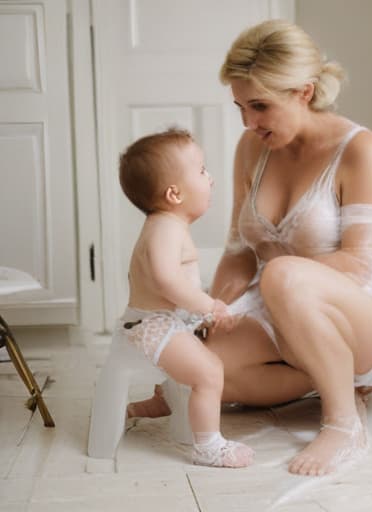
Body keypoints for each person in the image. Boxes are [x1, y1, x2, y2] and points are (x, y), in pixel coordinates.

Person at [128, 19, 372, 477]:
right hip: (283, 311)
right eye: (241, 106)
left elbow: (359, 264)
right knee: (209, 369)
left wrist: (274, 283)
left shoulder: (362, 150)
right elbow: (239, 252)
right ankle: (335, 380)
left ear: (303, 91)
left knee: (281, 272)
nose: (248, 122)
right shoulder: (252, 147)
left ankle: (344, 423)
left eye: (260, 106)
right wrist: (214, 312)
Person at [118, 128, 254, 468]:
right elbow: (166, 280)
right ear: (175, 194)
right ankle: (208, 446)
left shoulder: (167, 224)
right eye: (202, 170)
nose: (211, 178)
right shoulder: (165, 228)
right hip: (151, 326)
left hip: (161, 321)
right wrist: (207, 305)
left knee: (201, 350)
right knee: (209, 372)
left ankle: (161, 399)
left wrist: (202, 313)